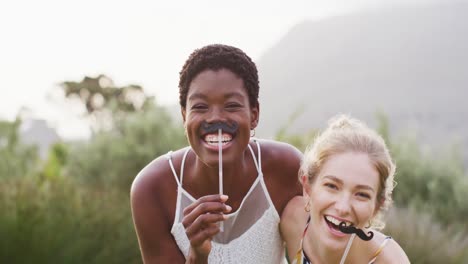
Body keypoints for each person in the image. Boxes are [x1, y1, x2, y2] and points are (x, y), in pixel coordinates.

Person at [130, 44, 302, 263]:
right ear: (184, 116)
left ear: (254, 115)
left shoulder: (286, 167)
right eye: (200, 107)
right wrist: (198, 255)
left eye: (231, 105)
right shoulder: (152, 188)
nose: (215, 118)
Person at [280, 114, 410, 264]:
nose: (343, 208)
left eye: (361, 194)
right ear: (307, 188)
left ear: (376, 207)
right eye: (331, 186)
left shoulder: (389, 261)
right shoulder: (292, 221)